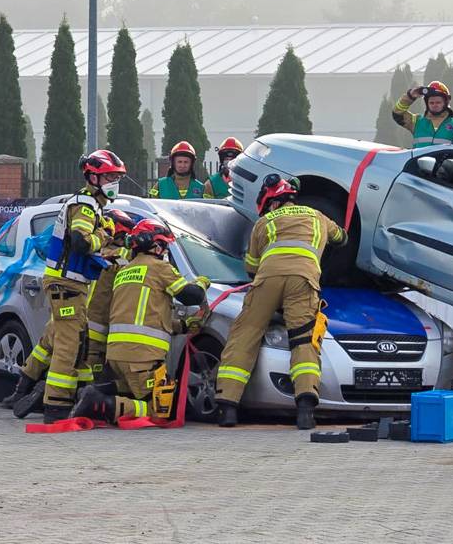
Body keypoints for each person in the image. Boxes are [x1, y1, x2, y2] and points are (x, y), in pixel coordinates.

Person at [215, 175, 347, 430]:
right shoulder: (316, 216)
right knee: (303, 340)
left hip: (267, 279)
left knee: (245, 336)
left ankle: (227, 407)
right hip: (304, 280)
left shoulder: (264, 221)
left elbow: (251, 266)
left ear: (272, 202)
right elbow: (341, 238)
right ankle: (306, 409)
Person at [3, 150, 126, 424]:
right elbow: (81, 241)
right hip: (66, 283)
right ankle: (56, 405)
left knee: (55, 338)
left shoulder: (93, 206)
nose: (113, 182)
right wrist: (104, 238)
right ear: (93, 177)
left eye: (116, 177)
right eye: (109, 176)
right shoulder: (83, 206)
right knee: (71, 345)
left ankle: (24, 387)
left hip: (71, 283)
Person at [72, 219, 209, 423]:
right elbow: (192, 296)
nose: (164, 251)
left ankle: (94, 392)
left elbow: (145, 317)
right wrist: (202, 282)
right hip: (142, 357)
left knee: (128, 388)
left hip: (117, 356)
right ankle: (99, 404)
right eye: (163, 246)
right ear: (155, 245)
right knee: (160, 411)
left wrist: (183, 326)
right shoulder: (159, 268)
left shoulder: (125, 271)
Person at [83, 208, 136, 384]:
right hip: (97, 329)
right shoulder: (118, 256)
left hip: (78, 322)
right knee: (91, 376)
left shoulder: (93, 251)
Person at [393, 81, 453, 148]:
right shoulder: (416, 122)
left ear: (446, 103)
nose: (435, 105)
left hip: (444, 166)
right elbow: (397, 112)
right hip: (418, 165)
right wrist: (410, 95)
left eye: (438, 102)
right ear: (427, 104)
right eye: (431, 103)